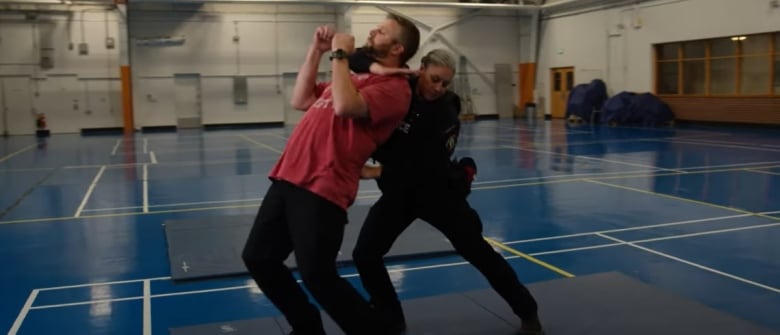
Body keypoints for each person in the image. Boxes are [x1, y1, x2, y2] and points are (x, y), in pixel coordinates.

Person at [241, 14, 420, 335]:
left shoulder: (395, 89)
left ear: (397, 48)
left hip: (324, 185)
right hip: (288, 176)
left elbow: (344, 107)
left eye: (382, 31)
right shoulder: (352, 77)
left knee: (318, 275)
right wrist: (317, 50)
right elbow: (302, 99)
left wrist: (339, 55)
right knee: (259, 259)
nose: (373, 30)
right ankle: (307, 326)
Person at [350, 49, 545, 335]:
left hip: (438, 194)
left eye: (445, 83)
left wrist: (373, 171)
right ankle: (390, 316)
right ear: (421, 69)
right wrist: (381, 68)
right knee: (365, 255)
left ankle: (528, 312)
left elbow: (425, 166)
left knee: (479, 252)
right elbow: (355, 59)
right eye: (434, 79)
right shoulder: (399, 87)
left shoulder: (444, 111)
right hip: (399, 195)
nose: (438, 88)